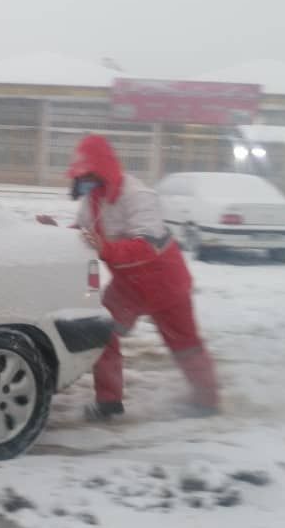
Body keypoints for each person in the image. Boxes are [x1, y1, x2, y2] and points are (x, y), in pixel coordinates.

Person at [39, 134, 219, 421]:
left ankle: (207, 401)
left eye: (89, 174)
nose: (84, 181)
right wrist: (56, 231)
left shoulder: (138, 196)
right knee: (103, 332)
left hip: (165, 283)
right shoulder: (93, 199)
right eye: (81, 176)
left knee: (184, 344)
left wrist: (105, 247)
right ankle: (109, 401)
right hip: (129, 285)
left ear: (103, 170)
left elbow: (149, 245)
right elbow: (83, 232)